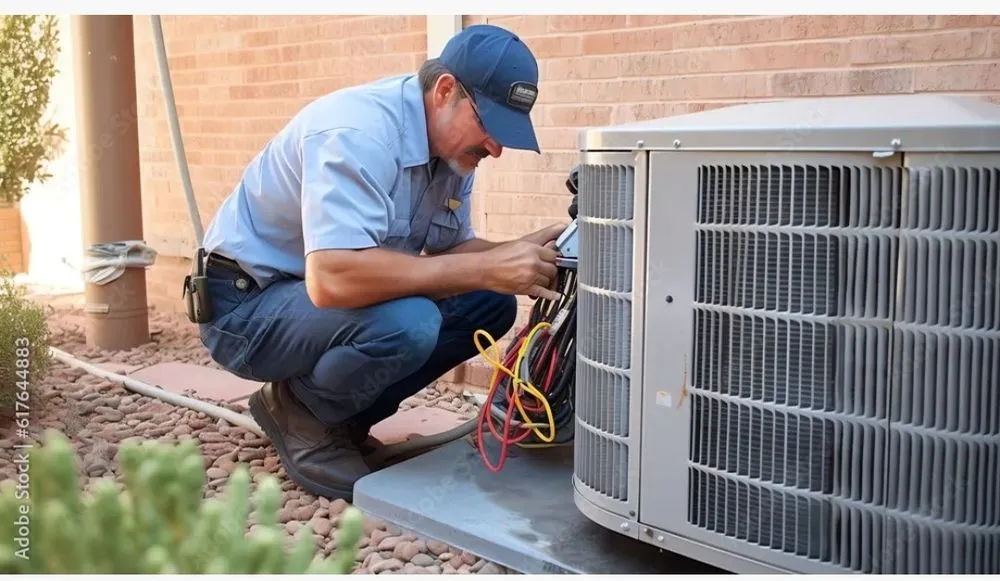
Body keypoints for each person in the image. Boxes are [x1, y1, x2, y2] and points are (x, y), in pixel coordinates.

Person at [191, 24, 567, 501]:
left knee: (489, 304)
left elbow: (446, 256)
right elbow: (333, 279)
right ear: (444, 91)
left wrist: (520, 250)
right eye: (489, 126)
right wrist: (482, 268)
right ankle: (302, 411)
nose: (495, 148)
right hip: (245, 307)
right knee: (408, 322)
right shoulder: (357, 132)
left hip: (311, 303)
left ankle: (344, 419)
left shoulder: (452, 154)